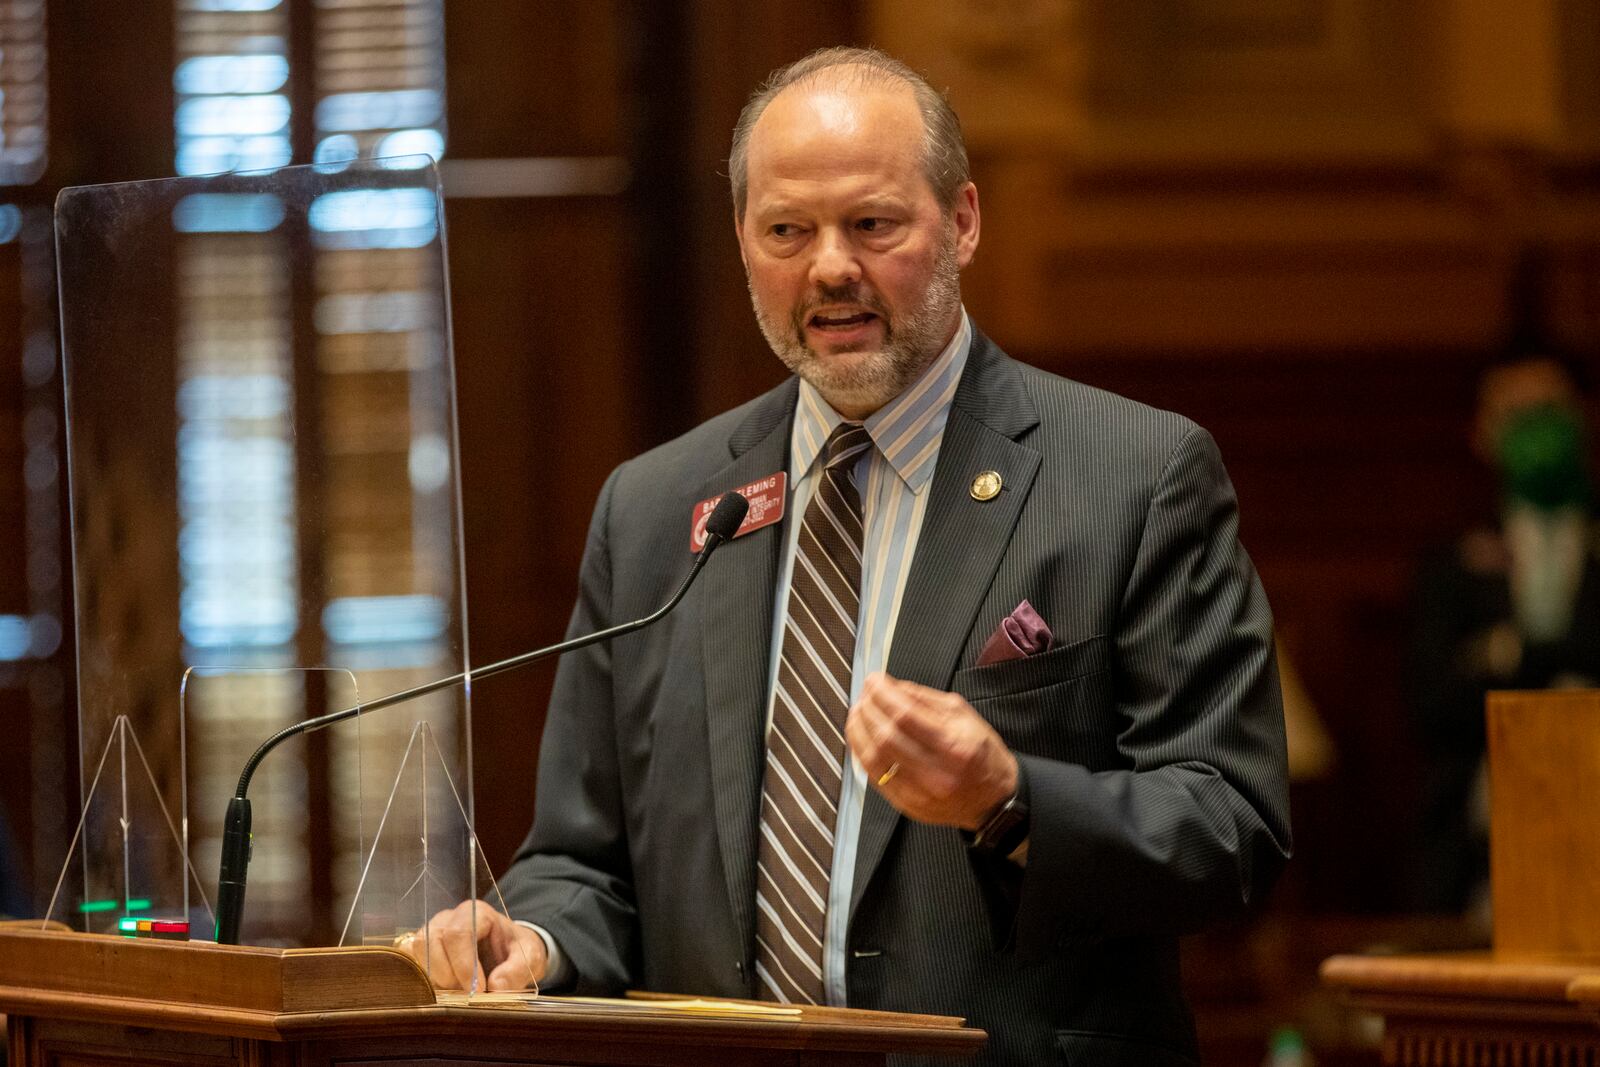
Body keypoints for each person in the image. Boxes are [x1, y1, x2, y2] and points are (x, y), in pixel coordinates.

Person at [404, 47, 1290, 1065]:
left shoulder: (1134, 474)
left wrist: (1011, 798)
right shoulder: (655, 508)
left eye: (872, 224)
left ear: (960, 220)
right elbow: (581, 857)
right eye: (786, 230)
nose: (829, 266)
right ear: (743, 243)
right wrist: (537, 938)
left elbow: (1232, 824)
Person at [1408, 352, 1600, 917]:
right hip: (1477, 857)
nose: (1534, 431)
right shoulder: (1451, 563)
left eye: (1547, 411)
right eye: (1514, 415)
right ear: (1481, 433)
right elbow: (1431, 700)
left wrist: (1510, 654)